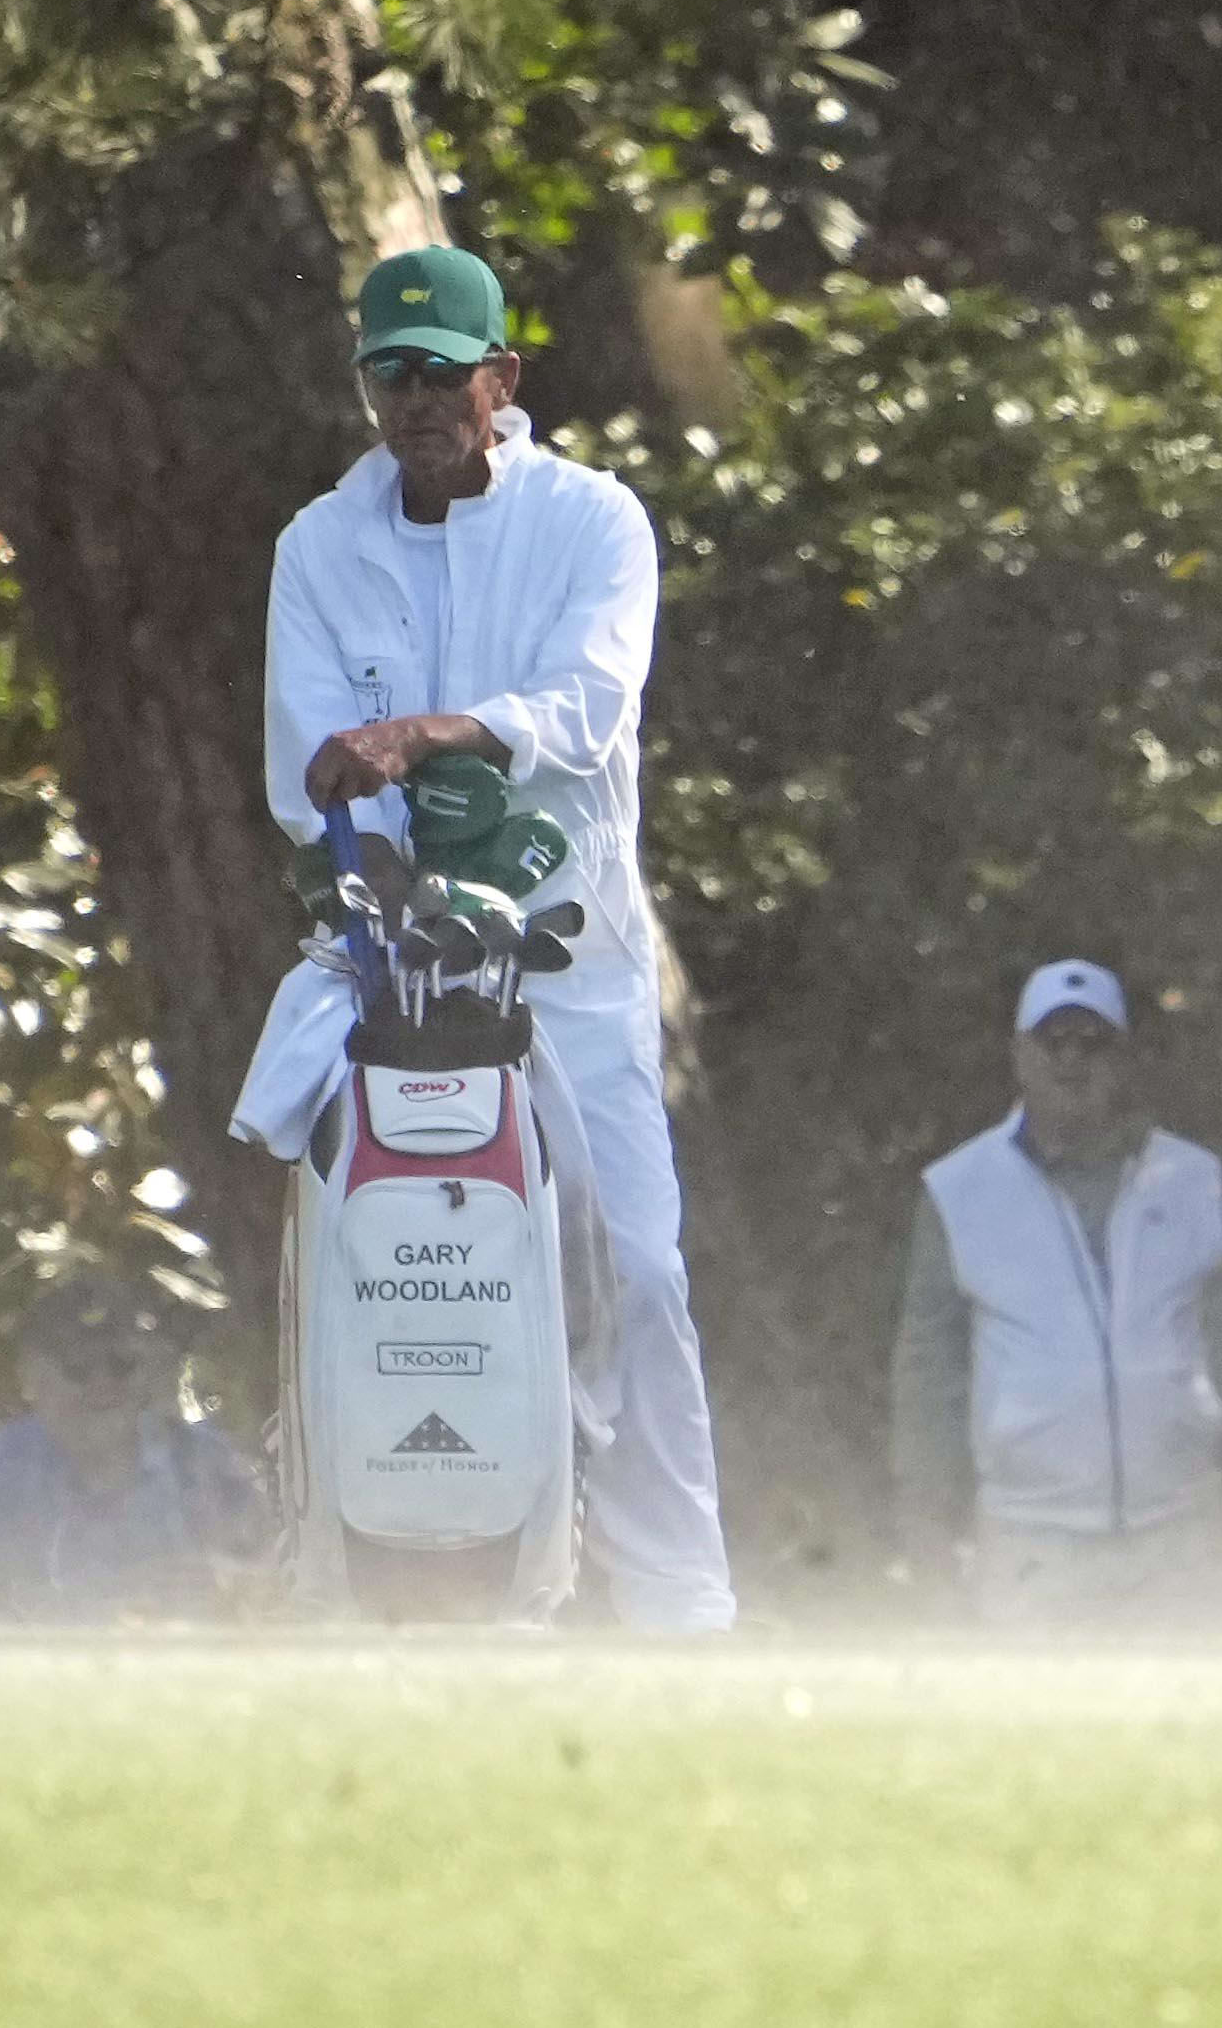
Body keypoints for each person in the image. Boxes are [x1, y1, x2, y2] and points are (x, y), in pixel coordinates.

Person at [233, 242, 733, 1631]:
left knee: (633, 1267)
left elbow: (585, 709)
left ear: (499, 378)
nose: (414, 400)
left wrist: (432, 732)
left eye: (441, 374)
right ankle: (370, 1577)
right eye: (388, 374)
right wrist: (387, 865)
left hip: (572, 971)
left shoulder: (594, 520)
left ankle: (680, 1601)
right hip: (391, 968)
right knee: (381, 1257)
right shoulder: (321, 545)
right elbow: (309, 775)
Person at [890, 959, 1222, 1625]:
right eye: (1054, 1041)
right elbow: (927, 1372)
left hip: (1183, 1532)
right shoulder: (959, 1188)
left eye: (1093, 1042)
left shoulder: (1195, 1179)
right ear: (1019, 1056)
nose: (1072, 1059)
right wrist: (927, 1524)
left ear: (1124, 1060)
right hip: (1030, 1540)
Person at [0, 1277, 260, 1624]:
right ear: (31, 1377)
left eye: (121, 1363)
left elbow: (273, 1584)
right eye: (77, 1366)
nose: (103, 1383)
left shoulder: (202, 1465)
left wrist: (220, 1592)